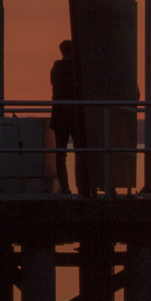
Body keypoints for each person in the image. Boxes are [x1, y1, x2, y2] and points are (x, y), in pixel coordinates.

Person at [49, 39, 86, 195]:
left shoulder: (56, 68)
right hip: (77, 116)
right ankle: (83, 187)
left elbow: (55, 86)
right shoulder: (79, 68)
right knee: (81, 153)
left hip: (60, 116)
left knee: (60, 155)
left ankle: (65, 189)